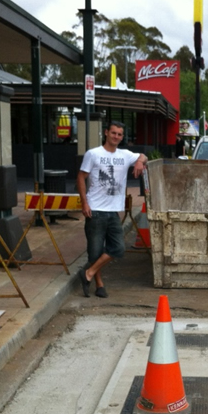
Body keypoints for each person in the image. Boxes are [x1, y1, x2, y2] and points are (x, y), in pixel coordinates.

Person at [76, 121, 148, 298]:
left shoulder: (125, 154)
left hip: (114, 211)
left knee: (118, 248)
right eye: (114, 133)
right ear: (106, 133)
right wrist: (84, 203)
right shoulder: (93, 154)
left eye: (120, 134)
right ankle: (99, 285)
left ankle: (88, 274)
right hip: (95, 210)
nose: (116, 137)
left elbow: (144, 155)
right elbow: (80, 177)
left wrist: (139, 162)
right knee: (95, 251)